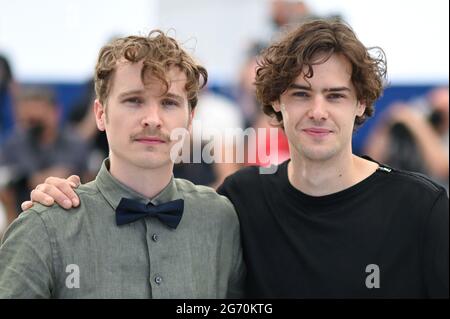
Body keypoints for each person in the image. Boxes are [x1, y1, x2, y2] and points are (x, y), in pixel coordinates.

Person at [21, 20, 448, 298]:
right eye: (301, 93)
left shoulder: (422, 209)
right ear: (277, 103)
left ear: (361, 104)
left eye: (335, 95)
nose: (318, 110)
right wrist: (56, 203)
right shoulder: (243, 200)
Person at [0, 31, 245, 298]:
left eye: (169, 102)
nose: (153, 119)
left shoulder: (222, 220)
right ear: (100, 114)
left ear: (189, 120)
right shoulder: (45, 226)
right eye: (134, 100)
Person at [0, 86, 89, 227]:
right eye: (26, 120)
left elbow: (70, 175)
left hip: (69, 218)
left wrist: (28, 180)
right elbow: (5, 182)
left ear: (55, 112)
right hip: (23, 219)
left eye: (36, 119)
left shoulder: (73, 141)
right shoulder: (15, 143)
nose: (30, 125)